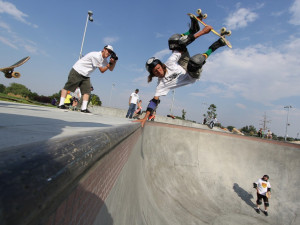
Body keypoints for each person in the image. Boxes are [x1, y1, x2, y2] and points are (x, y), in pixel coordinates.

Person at [134, 15, 226, 127]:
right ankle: (216, 45)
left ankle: (192, 30)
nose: (158, 71)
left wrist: (202, 32)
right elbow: (154, 101)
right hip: (191, 75)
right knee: (195, 61)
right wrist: (145, 117)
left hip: (183, 64)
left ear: (161, 65)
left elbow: (181, 47)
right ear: (153, 74)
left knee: (175, 41)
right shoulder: (160, 86)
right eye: (155, 71)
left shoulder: (170, 62)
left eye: (158, 68)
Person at [57, 45, 118, 113]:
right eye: (108, 51)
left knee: (87, 91)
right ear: (104, 49)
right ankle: (61, 104)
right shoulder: (96, 56)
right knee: (68, 87)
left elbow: (111, 69)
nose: (109, 53)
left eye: (110, 52)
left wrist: (114, 62)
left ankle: (83, 108)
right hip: (77, 70)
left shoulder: (104, 59)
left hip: (86, 75)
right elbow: (102, 70)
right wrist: (110, 63)